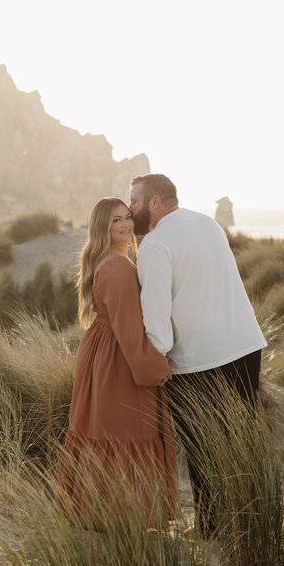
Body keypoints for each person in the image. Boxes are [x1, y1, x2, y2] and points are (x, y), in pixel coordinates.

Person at [129, 173, 266, 537]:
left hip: (200, 359)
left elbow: (156, 318)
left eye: (135, 202)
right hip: (246, 344)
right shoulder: (208, 223)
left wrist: (155, 360)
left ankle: (210, 529)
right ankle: (252, 520)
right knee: (242, 438)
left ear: (156, 202)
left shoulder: (156, 244)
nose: (131, 211)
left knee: (201, 446)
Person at [56, 197, 178, 529]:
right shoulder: (119, 267)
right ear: (102, 228)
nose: (125, 225)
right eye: (115, 221)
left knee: (103, 427)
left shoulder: (107, 260)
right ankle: (123, 515)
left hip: (102, 350)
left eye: (127, 218)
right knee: (126, 429)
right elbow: (128, 327)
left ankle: (100, 511)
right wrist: (155, 367)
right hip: (118, 356)